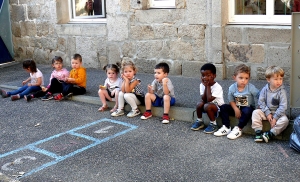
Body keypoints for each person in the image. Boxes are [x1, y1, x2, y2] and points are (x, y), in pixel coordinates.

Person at [214, 64, 259, 139]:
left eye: (246, 78)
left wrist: (261, 106)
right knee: (223, 107)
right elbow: (231, 100)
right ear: (234, 78)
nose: (243, 80)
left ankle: (239, 128)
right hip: (236, 107)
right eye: (241, 78)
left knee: (247, 111)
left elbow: (259, 95)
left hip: (247, 108)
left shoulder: (250, 87)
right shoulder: (232, 88)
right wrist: (235, 109)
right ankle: (226, 127)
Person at [251, 66, 289, 143]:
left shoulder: (282, 91)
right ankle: (258, 132)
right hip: (265, 112)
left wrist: (275, 118)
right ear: (268, 80)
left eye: (281, 79)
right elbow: (261, 102)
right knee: (255, 113)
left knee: (285, 121)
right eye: (276, 79)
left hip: (278, 114)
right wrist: (267, 113)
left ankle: (270, 134)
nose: (279, 81)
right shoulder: (264, 89)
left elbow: (283, 106)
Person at [191, 63, 225, 133]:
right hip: (208, 105)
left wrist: (207, 86)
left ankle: (213, 124)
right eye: (203, 75)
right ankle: (199, 121)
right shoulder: (202, 85)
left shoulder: (217, 87)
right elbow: (204, 99)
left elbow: (209, 99)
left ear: (214, 76)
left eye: (208, 75)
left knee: (207, 105)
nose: (205, 78)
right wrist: (206, 86)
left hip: (219, 107)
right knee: (199, 103)